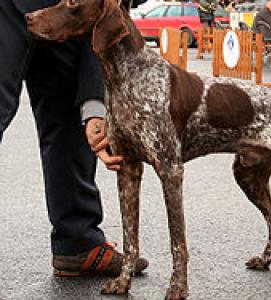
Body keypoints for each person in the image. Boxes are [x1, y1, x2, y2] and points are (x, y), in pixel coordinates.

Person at [0, 0, 148, 277]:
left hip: (64, 18)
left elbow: (101, 16)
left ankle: (77, 242)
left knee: (68, 117)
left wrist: (94, 108)